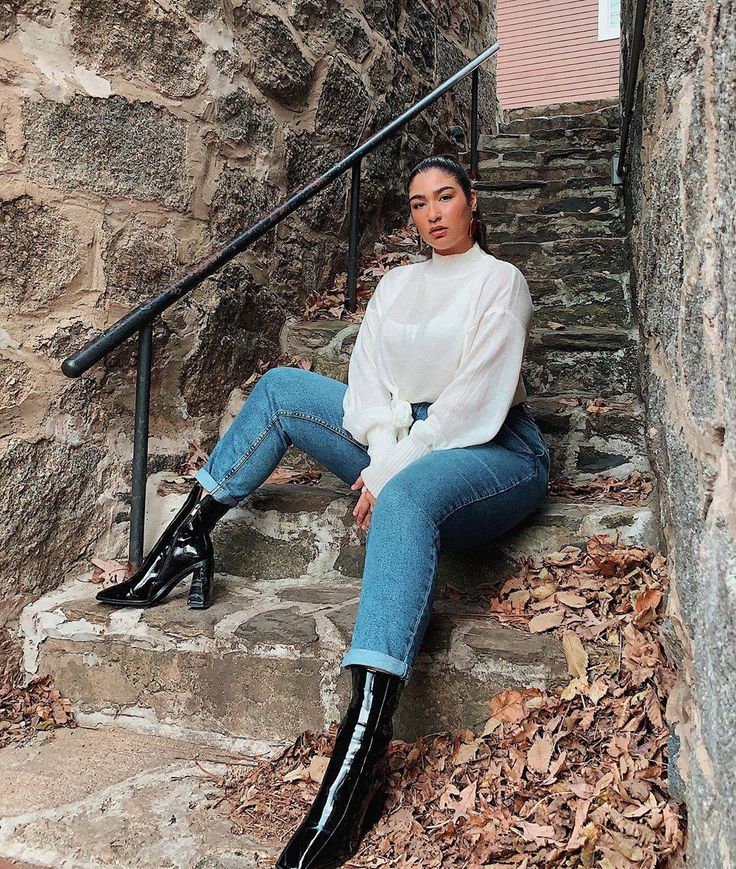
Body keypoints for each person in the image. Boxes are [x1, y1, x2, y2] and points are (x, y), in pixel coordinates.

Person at [96, 154, 550, 868]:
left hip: (490, 444)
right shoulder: (399, 284)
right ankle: (184, 541)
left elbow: (473, 402)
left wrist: (392, 467)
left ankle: (358, 766)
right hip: (396, 435)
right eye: (417, 202)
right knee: (280, 386)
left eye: (446, 197)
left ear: (472, 202)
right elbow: (367, 379)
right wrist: (379, 449)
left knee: (404, 495)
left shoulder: (502, 282)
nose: (431, 213)